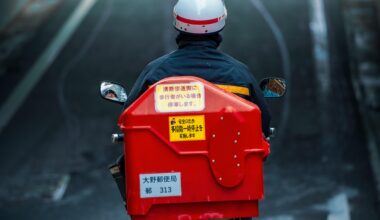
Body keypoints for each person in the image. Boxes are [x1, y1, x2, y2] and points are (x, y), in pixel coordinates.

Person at [124, 0, 271, 136]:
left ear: (177, 19)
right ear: (221, 20)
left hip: (163, 163)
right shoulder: (239, 74)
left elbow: (127, 118)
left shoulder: (155, 72)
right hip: (227, 163)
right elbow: (263, 124)